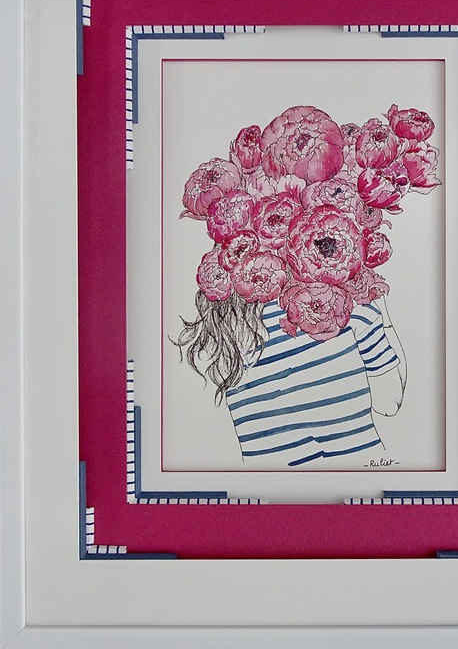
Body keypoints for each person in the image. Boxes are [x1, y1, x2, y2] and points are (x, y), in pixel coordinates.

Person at [174, 104, 439, 467]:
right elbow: (390, 403)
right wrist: (379, 309)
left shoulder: (228, 327)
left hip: (267, 494)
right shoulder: (345, 307)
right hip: (358, 480)